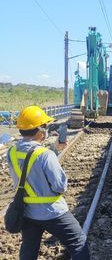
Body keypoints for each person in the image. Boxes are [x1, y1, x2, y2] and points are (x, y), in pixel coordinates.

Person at [6, 106, 90, 260]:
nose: (46, 130)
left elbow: (25, 173)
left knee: (28, 251)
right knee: (79, 243)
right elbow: (59, 186)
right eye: (44, 126)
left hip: (27, 211)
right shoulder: (45, 155)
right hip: (53, 212)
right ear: (39, 130)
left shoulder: (11, 153)